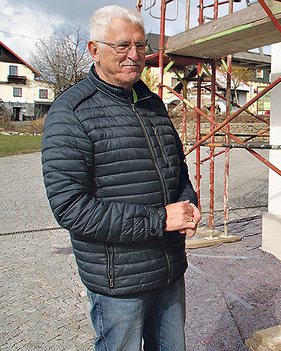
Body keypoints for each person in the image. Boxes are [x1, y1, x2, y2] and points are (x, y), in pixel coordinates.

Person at [41, 5, 200, 350]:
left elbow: (178, 169)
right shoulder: (71, 112)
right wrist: (160, 220)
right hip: (119, 280)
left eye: (141, 46)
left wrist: (189, 202)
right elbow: (71, 208)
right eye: (122, 46)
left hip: (169, 270)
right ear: (94, 50)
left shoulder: (153, 102)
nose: (134, 55)